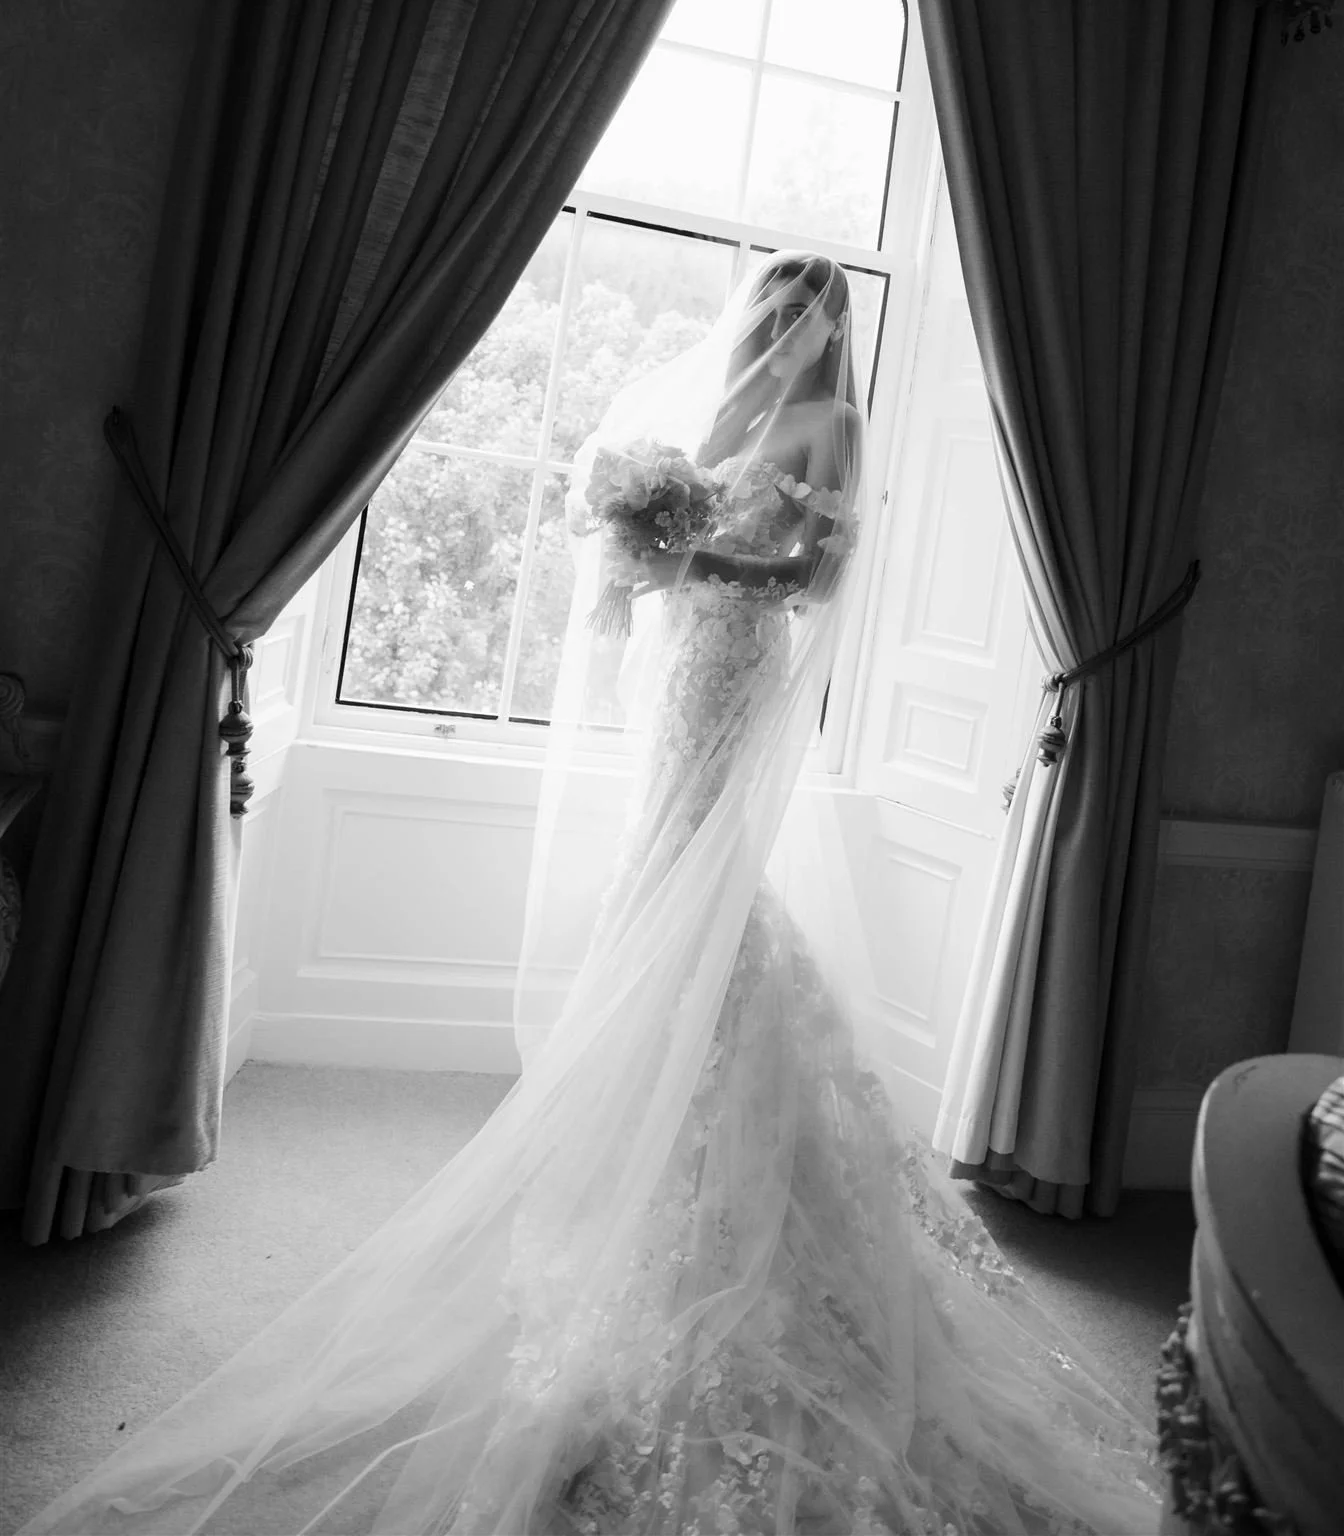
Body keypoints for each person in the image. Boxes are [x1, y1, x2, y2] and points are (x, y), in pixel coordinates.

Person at [19, 254, 1163, 1536]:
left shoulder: (831, 424)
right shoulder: (725, 408)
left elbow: (821, 577)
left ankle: (723, 1107)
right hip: (679, 674)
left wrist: (708, 568)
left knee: (704, 893)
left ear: (829, 325)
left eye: (804, 310)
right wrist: (642, 548)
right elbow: (664, 530)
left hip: (736, 669)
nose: (780, 326)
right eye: (772, 304)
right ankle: (640, 1109)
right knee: (658, 886)